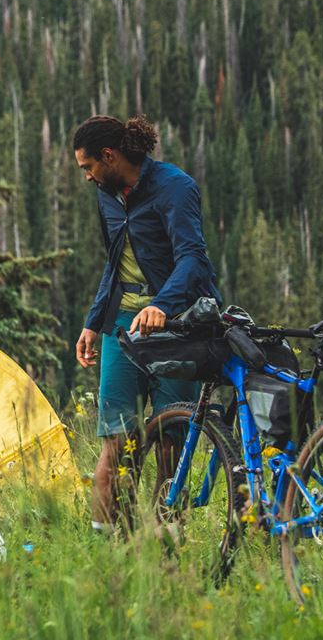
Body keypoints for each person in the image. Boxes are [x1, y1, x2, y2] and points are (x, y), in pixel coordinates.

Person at [72, 114, 220, 534]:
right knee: (117, 443)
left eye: (88, 167)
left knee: (172, 441)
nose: (87, 177)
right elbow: (116, 261)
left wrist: (162, 306)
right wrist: (93, 322)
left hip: (180, 325)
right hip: (123, 327)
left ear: (109, 155)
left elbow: (193, 257)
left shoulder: (175, 187)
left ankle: (166, 551)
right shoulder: (106, 194)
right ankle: (111, 557)